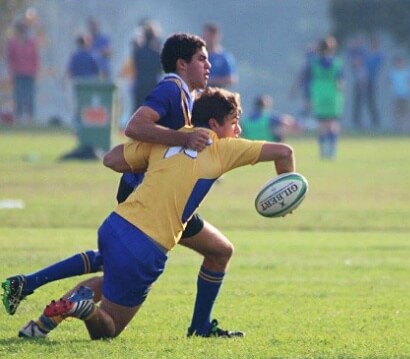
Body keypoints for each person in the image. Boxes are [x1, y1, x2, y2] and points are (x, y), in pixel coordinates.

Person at [18, 87, 296, 340]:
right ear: (214, 125)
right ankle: (84, 308)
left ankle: (40, 327)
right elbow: (284, 151)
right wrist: (288, 195)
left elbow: (112, 159)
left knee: (219, 251)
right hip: (148, 244)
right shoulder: (223, 148)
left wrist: (161, 162)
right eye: (234, 123)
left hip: (116, 224)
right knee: (109, 329)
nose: (238, 131)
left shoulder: (169, 137)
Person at [2, 33, 228, 339]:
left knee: (113, 266)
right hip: (152, 199)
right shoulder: (172, 87)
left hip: (153, 196)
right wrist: (184, 139)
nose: (208, 65)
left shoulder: (184, 95)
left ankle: (33, 301)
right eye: (202, 59)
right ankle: (199, 327)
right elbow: (135, 126)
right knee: (218, 251)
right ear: (182, 63)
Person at [303, 35, 344, 160]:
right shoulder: (337, 63)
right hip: (333, 95)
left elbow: (307, 79)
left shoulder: (313, 62)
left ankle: (323, 151)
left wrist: (308, 98)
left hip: (319, 94)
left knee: (322, 125)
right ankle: (332, 151)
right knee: (333, 123)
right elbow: (340, 83)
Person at [6, 19, 39, 125]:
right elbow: (10, 58)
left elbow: (35, 58)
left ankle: (30, 117)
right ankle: (18, 116)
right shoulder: (12, 43)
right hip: (18, 74)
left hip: (30, 73)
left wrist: (35, 71)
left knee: (29, 95)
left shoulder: (31, 43)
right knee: (18, 95)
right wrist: (11, 72)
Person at [132, 20, 163, 111]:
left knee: (137, 111)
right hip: (153, 86)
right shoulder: (157, 55)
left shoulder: (138, 53)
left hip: (140, 85)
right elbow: (160, 70)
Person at [202, 23, 238, 88]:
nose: (204, 38)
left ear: (215, 36)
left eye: (207, 35)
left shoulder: (225, 57)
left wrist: (210, 80)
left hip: (217, 93)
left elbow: (231, 79)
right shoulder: (199, 55)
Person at [388, 55, 410, 133]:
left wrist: (408, 88)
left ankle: (406, 128)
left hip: (405, 95)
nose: (399, 64)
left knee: (406, 112)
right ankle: (397, 128)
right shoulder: (393, 72)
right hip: (396, 95)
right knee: (396, 112)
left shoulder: (408, 72)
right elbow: (389, 82)